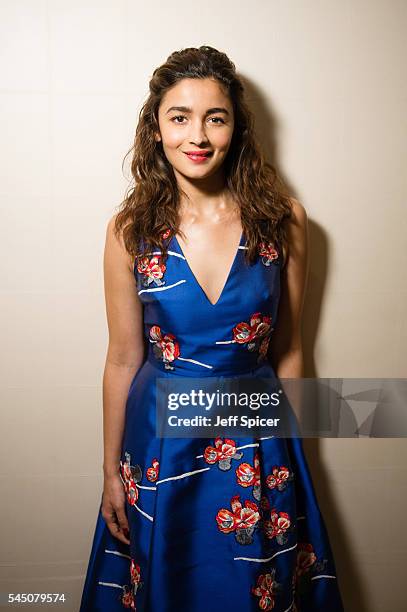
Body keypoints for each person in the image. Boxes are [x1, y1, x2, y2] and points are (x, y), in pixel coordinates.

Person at [80, 46, 344, 612]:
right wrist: (109, 473)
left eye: (214, 117)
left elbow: (291, 349)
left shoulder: (284, 219)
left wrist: (294, 458)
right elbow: (123, 360)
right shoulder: (129, 230)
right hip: (161, 447)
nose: (196, 136)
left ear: (236, 127)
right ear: (156, 128)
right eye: (179, 117)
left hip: (257, 440)